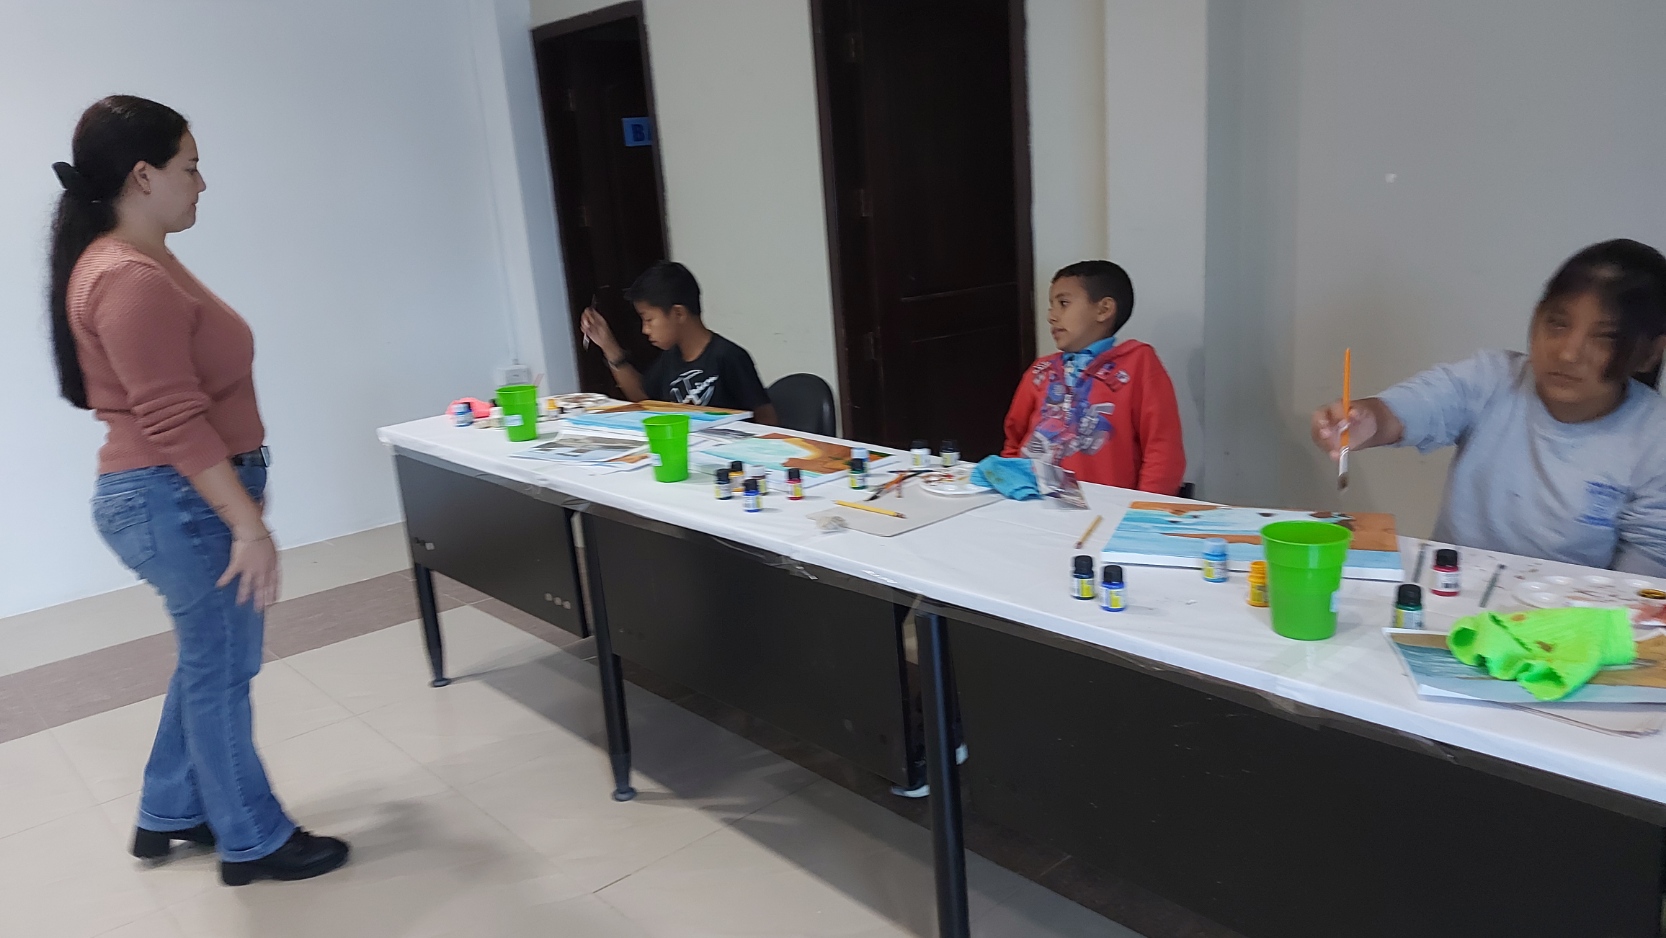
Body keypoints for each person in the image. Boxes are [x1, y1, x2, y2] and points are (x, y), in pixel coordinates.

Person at [48, 96, 348, 886]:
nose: (202, 183)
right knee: (221, 672)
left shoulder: (134, 260)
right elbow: (173, 419)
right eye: (190, 166)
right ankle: (253, 838)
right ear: (143, 176)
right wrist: (247, 524)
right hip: (173, 497)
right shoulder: (128, 278)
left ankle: (171, 808)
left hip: (171, 494)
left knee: (210, 659)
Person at [1311, 239, 1666, 575]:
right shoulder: (1492, 378)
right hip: (1451, 593)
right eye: (1558, 323)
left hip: (1573, 615)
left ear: (1650, 352)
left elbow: (1642, 582)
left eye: (1606, 337)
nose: (1568, 352)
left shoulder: (1654, 438)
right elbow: (1414, 407)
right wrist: (1368, 420)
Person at [1001, 260, 1186, 494]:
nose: (1051, 316)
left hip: (1110, 509)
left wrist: (1145, 509)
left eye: (1063, 303)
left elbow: (1163, 450)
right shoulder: (1041, 371)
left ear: (1103, 310)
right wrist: (1011, 490)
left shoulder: (1138, 364)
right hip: (1034, 504)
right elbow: (1014, 441)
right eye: (1051, 306)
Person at [579, 261, 778, 423]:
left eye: (648, 319)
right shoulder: (670, 359)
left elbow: (766, 419)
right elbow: (644, 399)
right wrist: (608, 345)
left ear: (678, 313)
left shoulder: (728, 357)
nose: (645, 330)